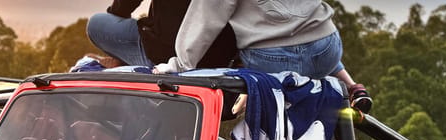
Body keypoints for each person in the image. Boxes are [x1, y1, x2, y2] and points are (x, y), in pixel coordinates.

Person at [154, 0, 372, 111]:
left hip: (273, 59)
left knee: (230, 45)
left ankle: (251, 96)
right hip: (327, 48)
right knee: (305, 37)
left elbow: (207, 15)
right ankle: (353, 87)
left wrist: (181, 64)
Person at [86, 0, 238, 68]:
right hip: (220, 56)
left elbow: (125, 4)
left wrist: (117, 15)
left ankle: (136, 64)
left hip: (168, 52)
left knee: (96, 24)